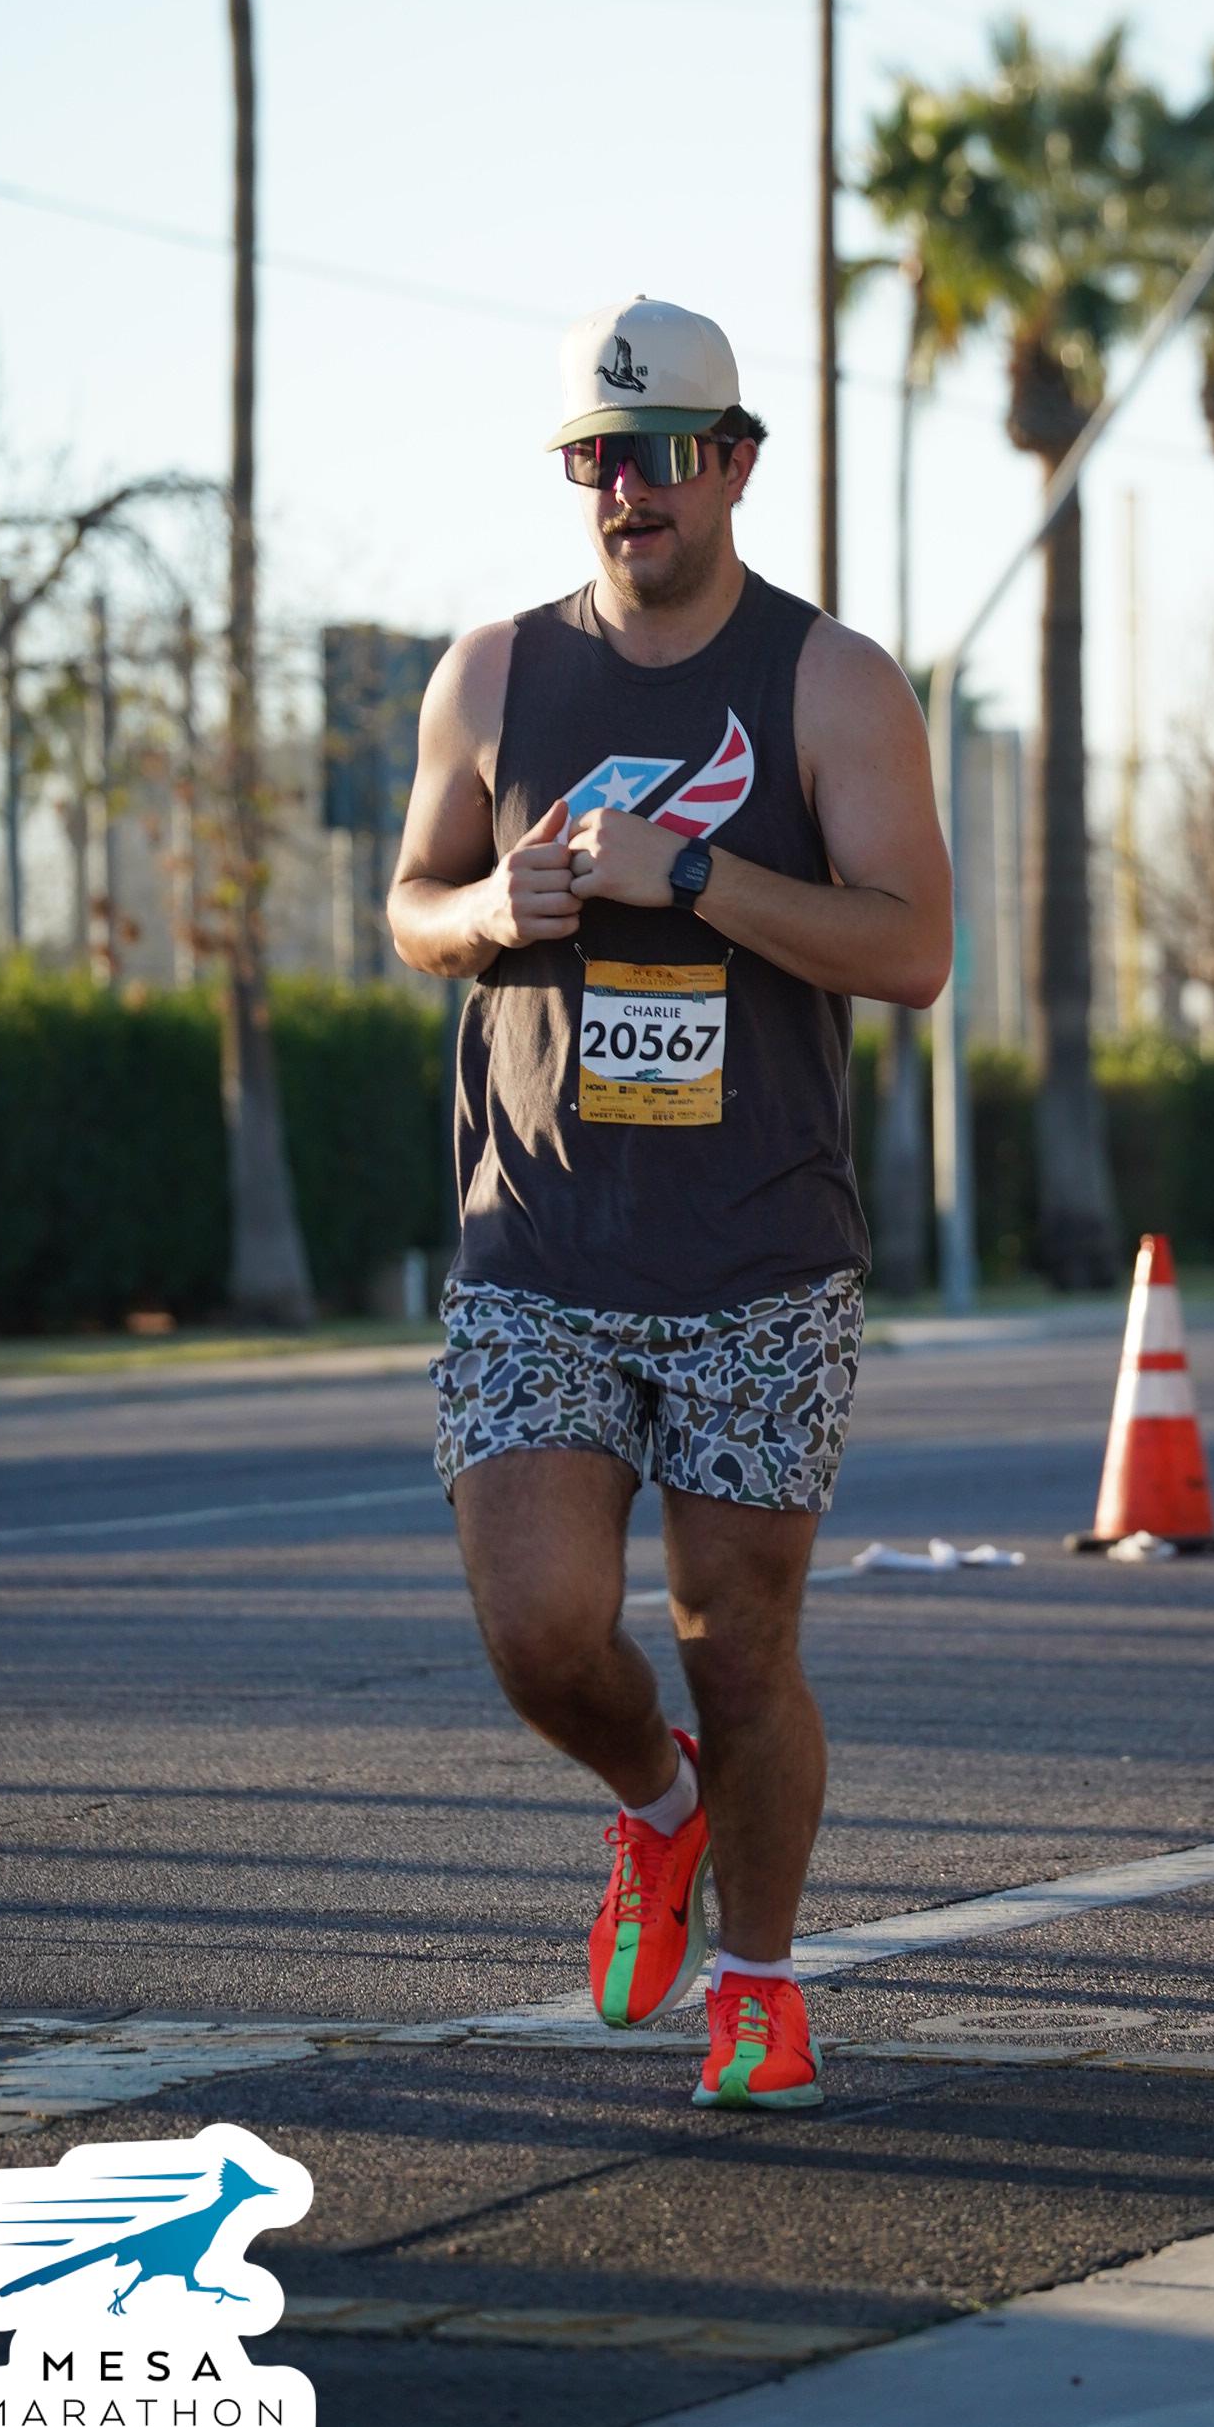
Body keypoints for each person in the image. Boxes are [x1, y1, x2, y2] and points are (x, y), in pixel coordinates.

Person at [388, 296, 951, 2109]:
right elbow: (410, 901)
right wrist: (491, 911)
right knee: (541, 1630)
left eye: (659, 455)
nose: (626, 490)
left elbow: (913, 949)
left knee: (742, 1641)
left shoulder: (832, 682)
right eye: (595, 460)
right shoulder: (492, 674)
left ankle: (762, 1985)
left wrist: (693, 872)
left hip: (757, 1249)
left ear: (735, 462)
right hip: (540, 1240)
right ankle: (656, 1801)